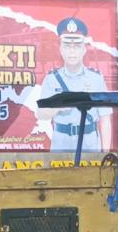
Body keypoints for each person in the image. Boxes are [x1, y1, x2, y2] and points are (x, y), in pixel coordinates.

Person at [36, 17, 111, 152]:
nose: (72, 51)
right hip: (61, 142)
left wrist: (105, 153)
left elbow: (105, 118)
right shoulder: (51, 78)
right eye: (67, 46)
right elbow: (41, 114)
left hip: (89, 143)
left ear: (84, 50)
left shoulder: (96, 79)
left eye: (76, 46)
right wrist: (57, 107)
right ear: (60, 50)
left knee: (90, 174)